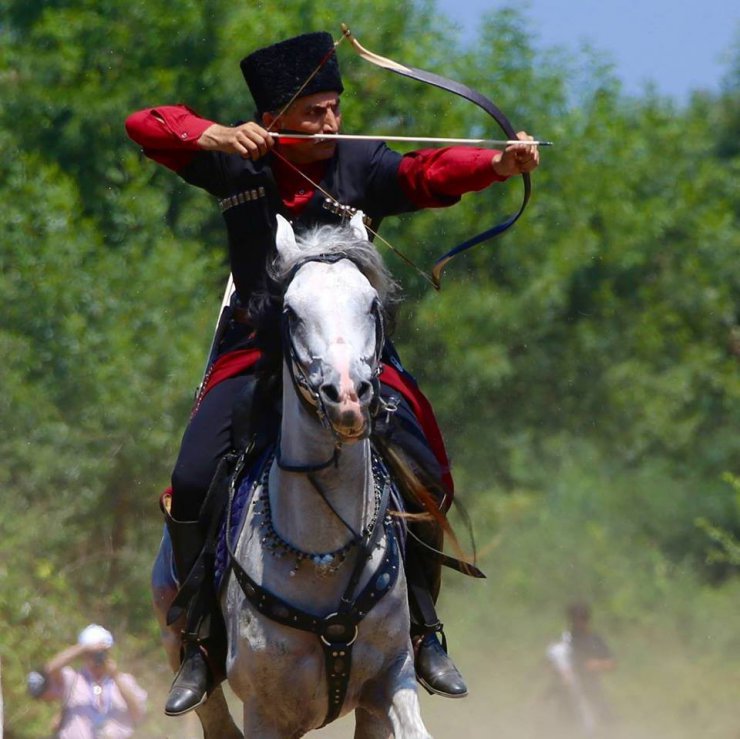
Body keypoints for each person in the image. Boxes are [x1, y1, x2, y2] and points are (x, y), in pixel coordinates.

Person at [125, 30, 540, 716]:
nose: (330, 122)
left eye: (334, 108)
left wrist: (497, 164)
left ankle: (425, 627)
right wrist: (213, 135)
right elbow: (145, 125)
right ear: (275, 118)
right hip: (256, 348)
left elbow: (425, 174)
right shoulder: (237, 162)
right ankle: (200, 641)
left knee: (426, 468)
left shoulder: (361, 164)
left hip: (356, 356)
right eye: (314, 111)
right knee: (195, 479)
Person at [29, 624, 147, 738]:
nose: (96, 659)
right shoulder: (72, 679)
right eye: (90, 655)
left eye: (101, 654)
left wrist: (115, 676)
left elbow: (138, 713)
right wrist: (83, 647)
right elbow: (50, 669)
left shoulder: (125, 681)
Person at [545, 602, 616, 736]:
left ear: (587, 619)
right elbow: (550, 664)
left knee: (604, 726)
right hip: (568, 693)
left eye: (581, 619)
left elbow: (611, 663)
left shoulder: (595, 640)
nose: (578, 623)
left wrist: (596, 664)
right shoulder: (565, 641)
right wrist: (561, 671)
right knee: (566, 728)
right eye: (574, 619)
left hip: (592, 691)